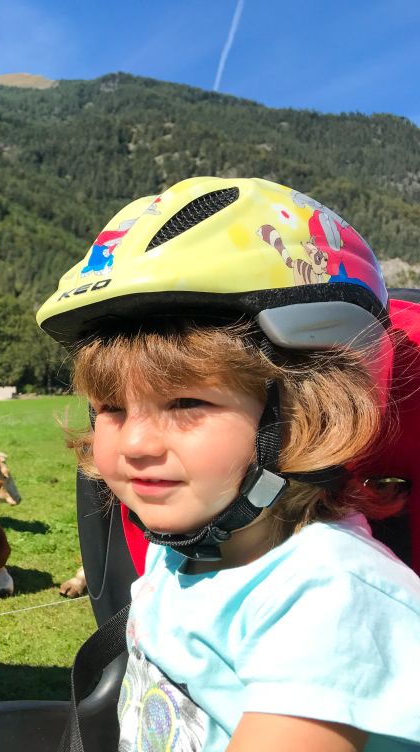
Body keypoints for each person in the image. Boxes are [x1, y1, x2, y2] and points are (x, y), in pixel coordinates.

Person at [36, 176, 420, 751]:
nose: (136, 442)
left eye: (187, 402)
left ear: (310, 412)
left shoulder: (331, 599)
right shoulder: (189, 549)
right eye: (111, 409)